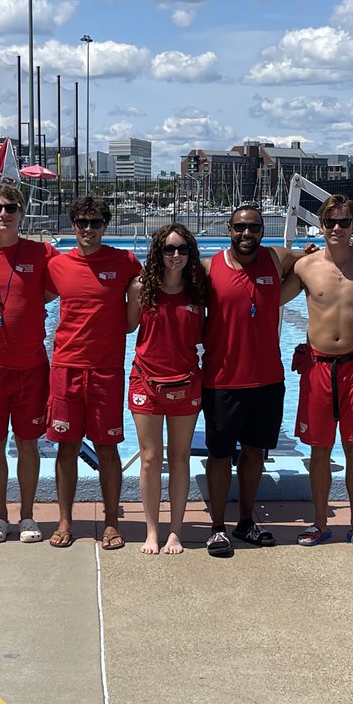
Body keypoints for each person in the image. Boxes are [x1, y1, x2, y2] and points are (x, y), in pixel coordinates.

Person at [199, 204, 314, 557]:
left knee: (253, 452)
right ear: (228, 229)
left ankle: (246, 521)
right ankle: (217, 528)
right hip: (221, 380)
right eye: (239, 227)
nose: (246, 233)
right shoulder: (209, 267)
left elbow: (310, 262)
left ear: (263, 230)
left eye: (253, 227)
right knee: (219, 455)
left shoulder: (276, 259)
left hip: (266, 379)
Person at [285, 195, 353, 551]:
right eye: (330, 222)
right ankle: (319, 522)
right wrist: (292, 255)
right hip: (318, 366)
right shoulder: (305, 266)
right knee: (319, 450)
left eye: (344, 222)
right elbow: (268, 295)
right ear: (321, 225)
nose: (337, 228)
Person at [44, 196, 140, 550]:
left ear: (105, 225)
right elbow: (30, 296)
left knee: (108, 448)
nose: (89, 229)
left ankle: (112, 521)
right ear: (73, 225)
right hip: (66, 368)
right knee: (66, 447)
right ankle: (65, 520)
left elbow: (159, 284)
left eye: (95, 222)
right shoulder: (58, 265)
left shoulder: (125, 262)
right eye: (82, 222)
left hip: (106, 371)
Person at [0, 183, 57, 544]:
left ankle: (27, 515)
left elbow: (62, 285)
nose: (3, 214)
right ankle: (0, 516)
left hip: (31, 367)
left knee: (27, 443)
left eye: (10, 208)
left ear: (21, 213)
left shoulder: (42, 253)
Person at [126, 223, 206, 554]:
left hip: (185, 382)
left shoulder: (198, 290)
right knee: (149, 459)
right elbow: (127, 326)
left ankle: (175, 531)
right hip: (146, 380)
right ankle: (151, 531)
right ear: (158, 252)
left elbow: (203, 334)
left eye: (182, 249)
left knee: (179, 457)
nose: (176, 255)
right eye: (169, 249)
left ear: (191, 254)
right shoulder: (141, 288)